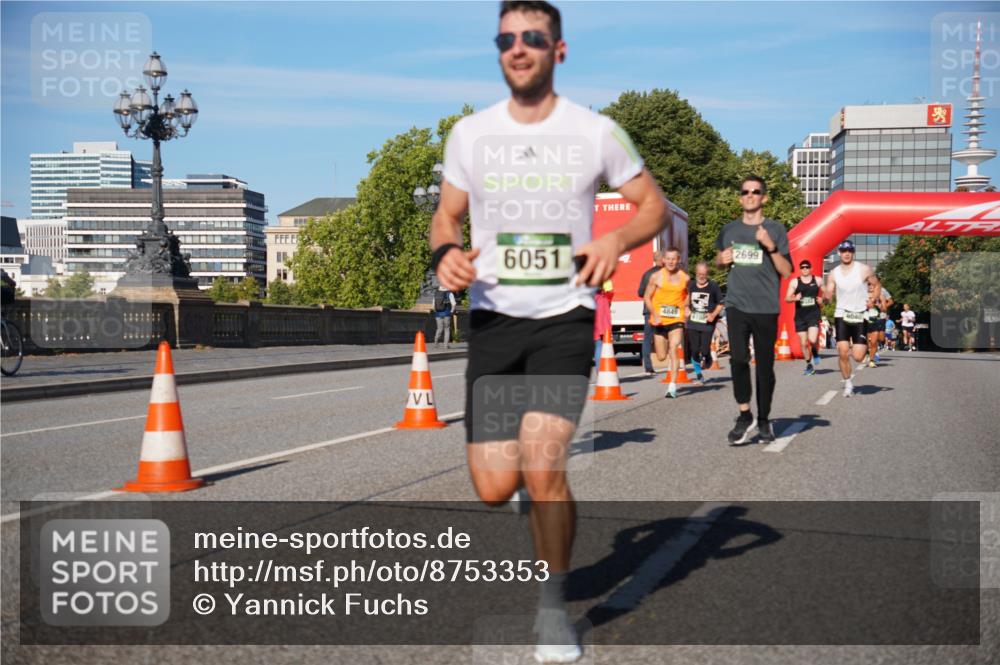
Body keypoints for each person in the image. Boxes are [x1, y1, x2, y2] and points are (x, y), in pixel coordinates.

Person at [430, 3, 670, 660]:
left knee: (545, 466)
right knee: (492, 485)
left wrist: (616, 236)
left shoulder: (596, 132)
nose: (518, 47)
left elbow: (653, 205)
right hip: (494, 321)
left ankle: (552, 604)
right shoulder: (469, 135)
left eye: (532, 37)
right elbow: (445, 216)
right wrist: (443, 252)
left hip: (565, 320)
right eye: (506, 38)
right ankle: (524, 503)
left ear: (558, 50)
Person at [715, 175, 792, 444]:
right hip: (736, 304)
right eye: (746, 191)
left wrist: (770, 247)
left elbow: (786, 270)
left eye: (756, 191)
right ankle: (744, 413)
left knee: (765, 368)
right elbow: (719, 260)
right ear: (740, 197)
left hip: (766, 307)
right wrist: (721, 261)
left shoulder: (776, 229)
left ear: (764, 198)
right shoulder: (729, 230)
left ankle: (764, 420)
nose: (750, 195)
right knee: (737, 360)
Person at [823, 239, 881, 397]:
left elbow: (876, 285)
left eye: (849, 251)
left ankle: (866, 350)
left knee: (858, 356)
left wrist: (872, 299)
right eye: (843, 251)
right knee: (842, 352)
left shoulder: (863, 269)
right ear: (839, 253)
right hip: (841, 314)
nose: (846, 254)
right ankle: (848, 383)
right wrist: (825, 297)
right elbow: (829, 291)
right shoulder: (834, 273)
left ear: (853, 252)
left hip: (859, 314)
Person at [644, 247, 688, 398]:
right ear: (663, 260)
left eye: (673, 259)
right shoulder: (656, 277)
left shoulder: (685, 278)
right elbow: (646, 297)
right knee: (661, 356)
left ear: (678, 260)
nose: (670, 261)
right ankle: (670, 377)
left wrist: (687, 307)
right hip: (659, 320)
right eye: (668, 258)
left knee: (674, 347)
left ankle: (672, 386)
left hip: (676, 318)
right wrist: (655, 314)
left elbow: (688, 294)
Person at [685, 262, 723, 384]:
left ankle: (708, 356)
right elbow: (684, 301)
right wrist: (686, 309)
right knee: (694, 349)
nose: (701, 276)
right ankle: (698, 374)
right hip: (693, 322)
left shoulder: (713, 286)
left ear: (707, 274)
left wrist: (713, 314)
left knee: (705, 349)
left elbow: (721, 303)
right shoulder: (690, 286)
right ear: (695, 273)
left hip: (707, 323)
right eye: (699, 274)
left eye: (704, 274)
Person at [784, 259, 822, 375]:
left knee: (812, 339)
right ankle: (809, 364)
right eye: (802, 267)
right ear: (800, 269)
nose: (804, 269)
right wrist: (795, 298)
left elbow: (826, 294)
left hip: (813, 314)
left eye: (806, 267)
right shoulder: (795, 282)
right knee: (804, 343)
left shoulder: (818, 280)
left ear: (810, 268)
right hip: (800, 316)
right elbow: (787, 298)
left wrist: (822, 300)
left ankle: (815, 351)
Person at [637, 251, 664, 375]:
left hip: (649, 309)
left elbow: (640, 292)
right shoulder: (667, 273)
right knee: (669, 334)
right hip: (664, 309)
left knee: (647, 338)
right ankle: (673, 362)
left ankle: (648, 367)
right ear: (663, 259)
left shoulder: (647, 274)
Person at [593, 279, 613, 369]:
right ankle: (600, 372)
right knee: (599, 348)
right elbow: (605, 317)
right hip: (600, 329)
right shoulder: (603, 299)